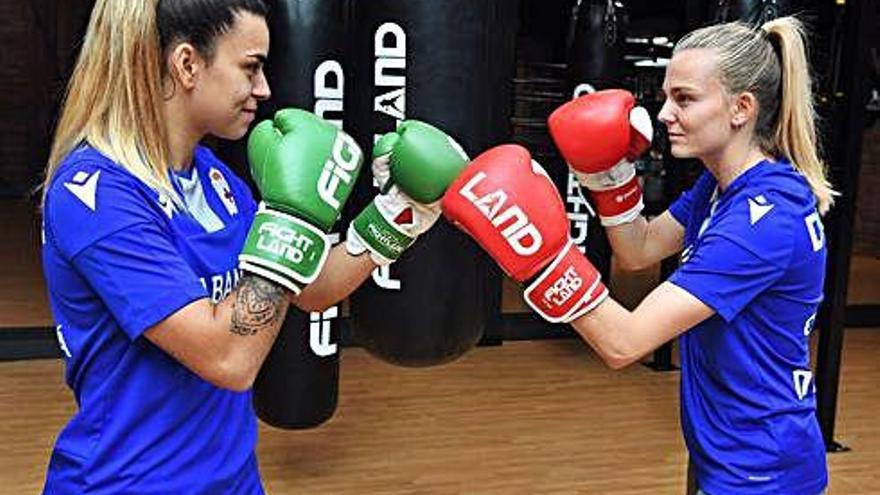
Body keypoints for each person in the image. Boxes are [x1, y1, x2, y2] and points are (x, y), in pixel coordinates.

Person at [39, 1, 466, 493]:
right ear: (187, 65)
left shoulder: (215, 180)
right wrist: (292, 215)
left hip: (233, 479)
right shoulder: (94, 195)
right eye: (251, 68)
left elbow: (307, 288)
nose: (263, 89)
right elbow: (229, 359)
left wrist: (400, 212)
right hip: (129, 482)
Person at [443, 16, 832, 495]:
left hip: (763, 469)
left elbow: (624, 343)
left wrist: (538, 250)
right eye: (667, 96)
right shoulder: (723, 189)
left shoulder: (762, 221)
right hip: (729, 449)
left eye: (684, 99)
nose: (664, 113)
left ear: (741, 108)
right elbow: (638, 248)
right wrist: (605, 175)